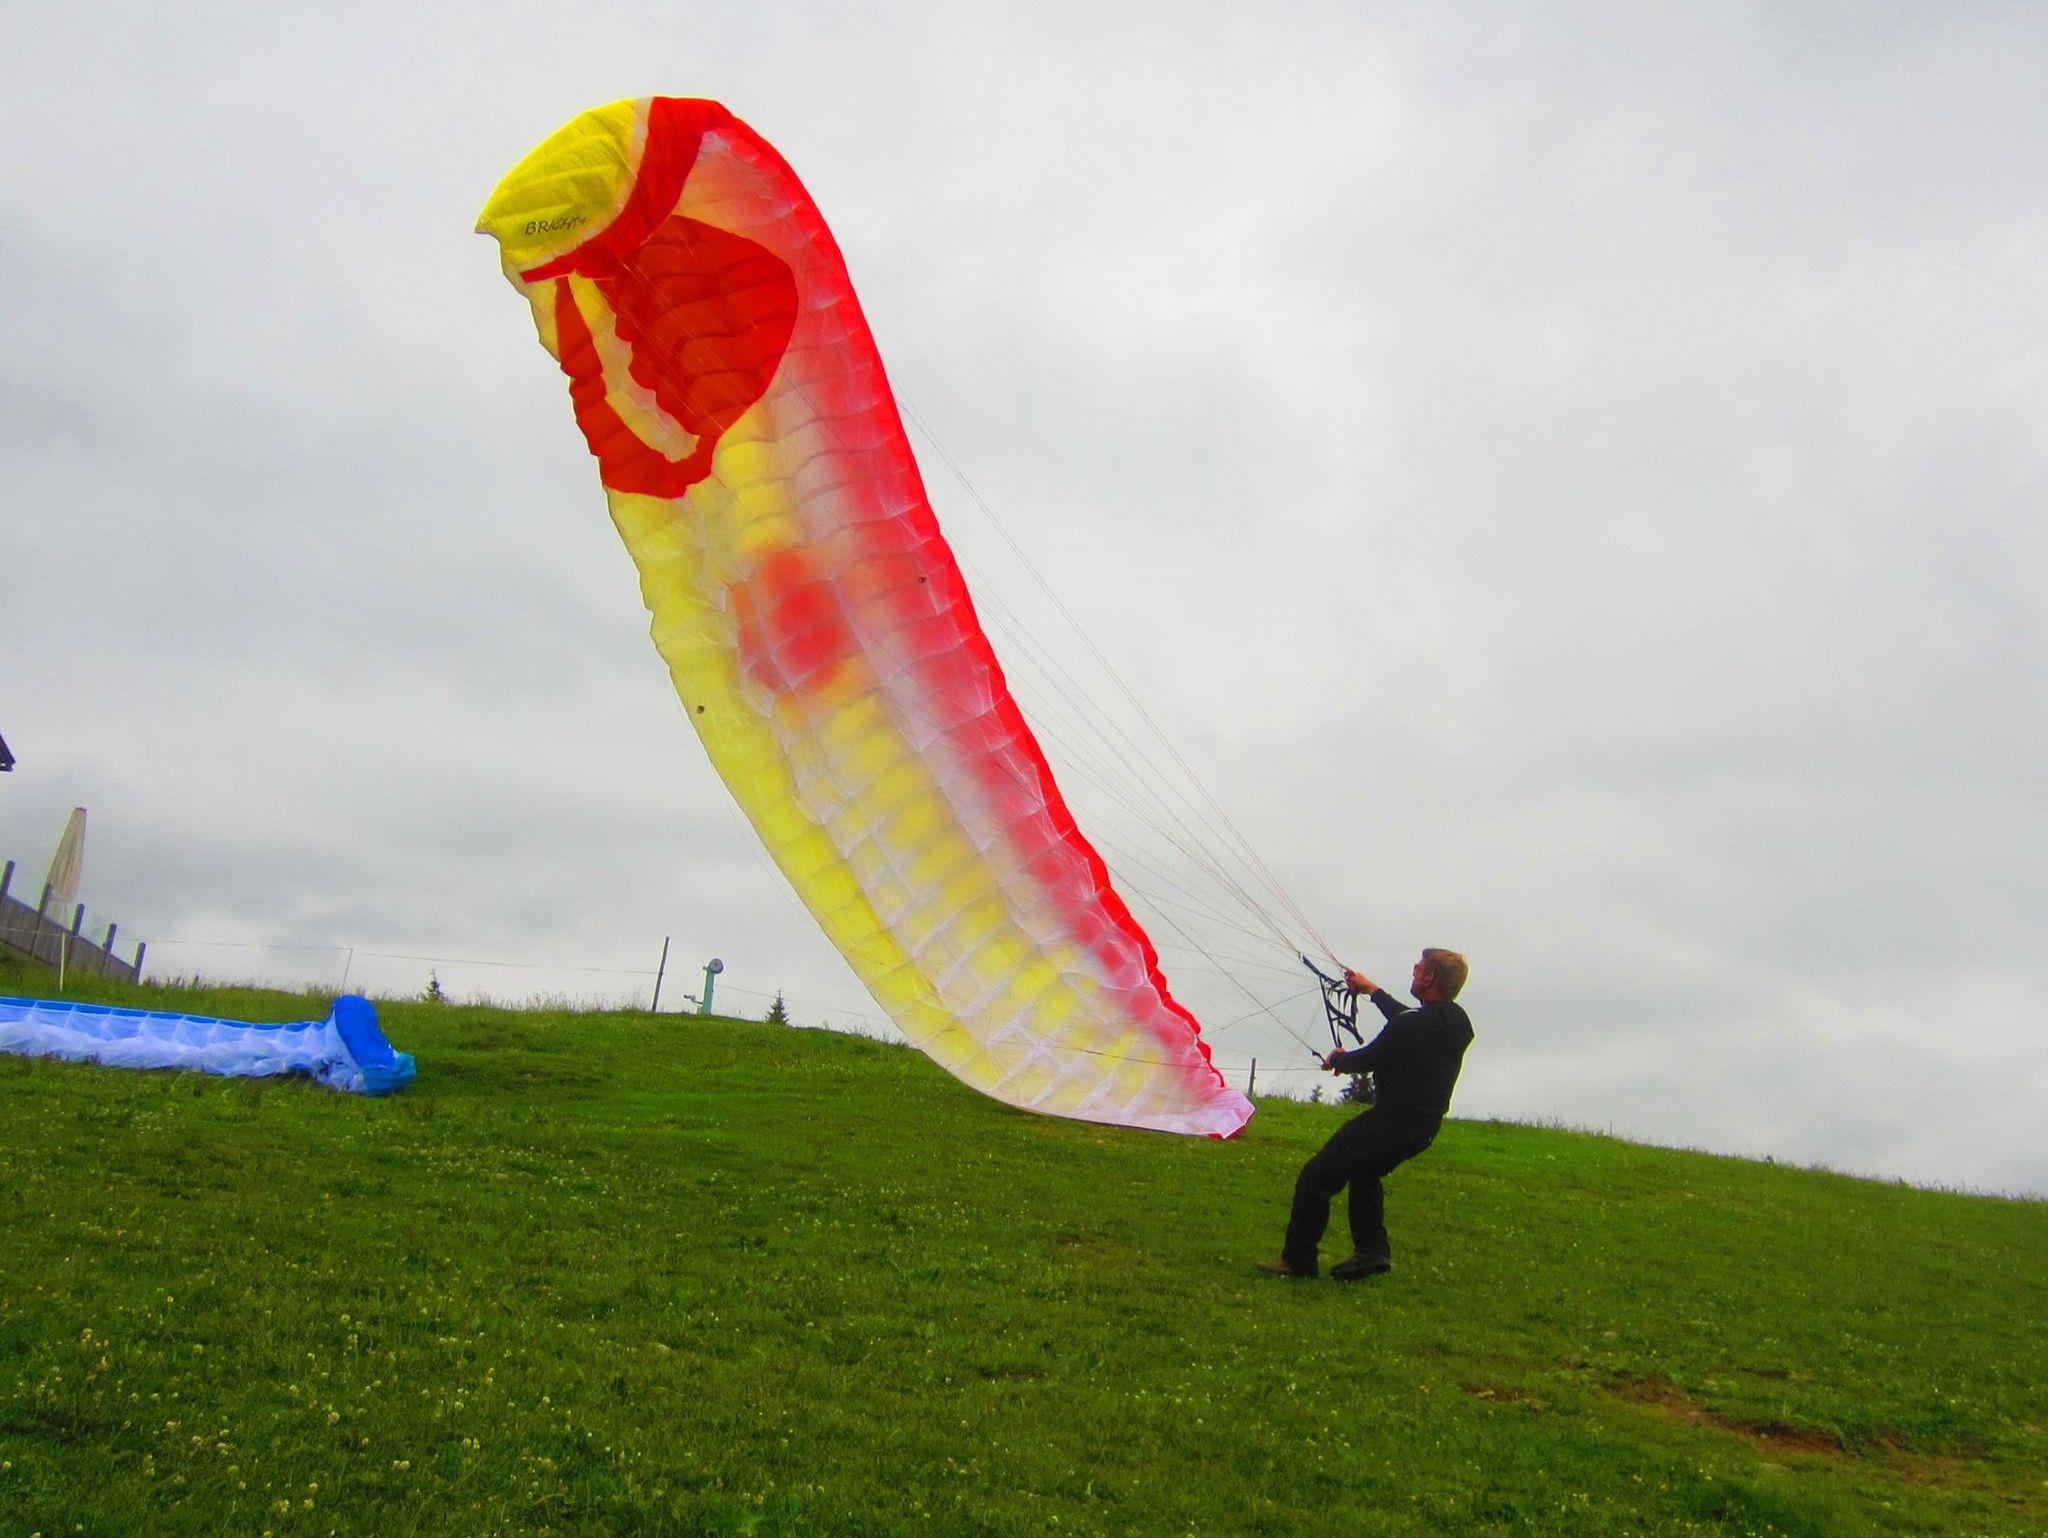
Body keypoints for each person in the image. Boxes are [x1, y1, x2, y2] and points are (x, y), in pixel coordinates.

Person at [1259, 949, 1474, 1280]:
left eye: (1418, 968)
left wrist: (1339, 1060)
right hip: (1423, 1130)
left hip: (1390, 1122)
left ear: (1429, 978)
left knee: (1316, 1177)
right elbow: (1411, 1020)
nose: (1414, 970)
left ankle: (1298, 1261)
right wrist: (1372, 991)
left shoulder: (1409, 1026)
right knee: (1365, 1172)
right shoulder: (1457, 1023)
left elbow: (1370, 1057)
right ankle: (1372, 1252)